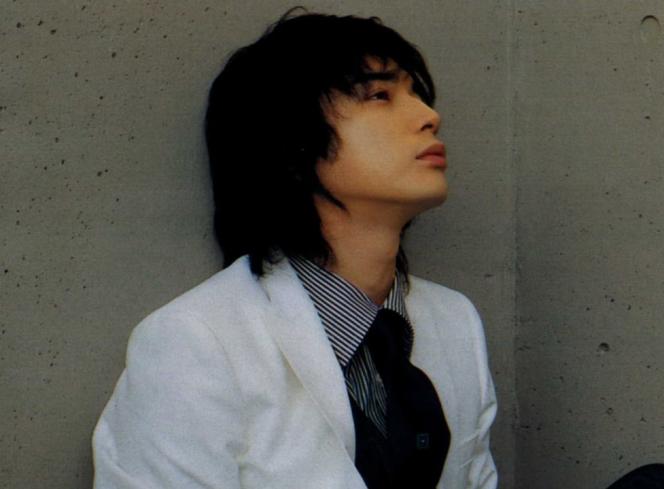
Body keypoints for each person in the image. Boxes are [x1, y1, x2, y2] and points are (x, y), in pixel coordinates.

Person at [92, 10, 497, 489]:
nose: (429, 116)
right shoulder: (196, 343)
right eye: (380, 95)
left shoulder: (454, 323)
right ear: (293, 144)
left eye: (417, 94)